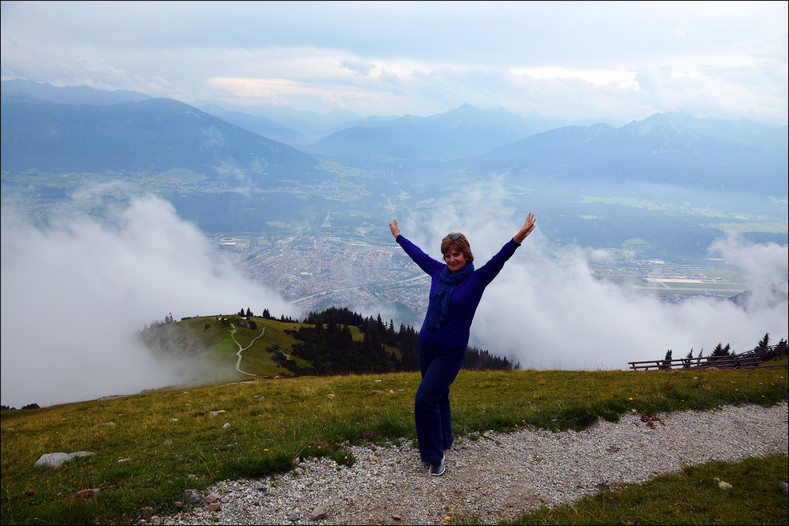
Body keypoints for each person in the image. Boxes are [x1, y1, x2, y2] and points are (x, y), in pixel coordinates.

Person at [388, 213, 536, 476]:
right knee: (438, 395)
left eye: (456, 254)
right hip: (426, 345)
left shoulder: (476, 279)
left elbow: (499, 259)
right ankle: (445, 439)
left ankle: (435, 457)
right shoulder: (438, 272)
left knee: (424, 399)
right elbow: (418, 255)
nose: (451, 259)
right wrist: (399, 238)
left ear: (467, 255)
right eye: (447, 255)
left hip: (450, 351)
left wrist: (519, 237)